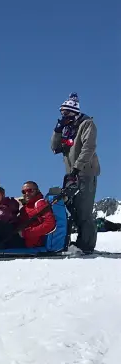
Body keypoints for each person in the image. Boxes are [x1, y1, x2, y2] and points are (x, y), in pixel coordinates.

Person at [51, 92, 100, 253]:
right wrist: (57, 130)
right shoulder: (66, 129)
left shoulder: (87, 124)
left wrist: (78, 167)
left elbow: (89, 147)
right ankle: (78, 240)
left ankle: (87, 244)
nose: (64, 115)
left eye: (67, 112)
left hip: (84, 172)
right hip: (70, 173)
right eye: (62, 113)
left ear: (74, 112)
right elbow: (54, 147)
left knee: (84, 208)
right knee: (72, 207)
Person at [18, 181, 57, 248]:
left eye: (30, 190)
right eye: (24, 192)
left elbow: (50, 223)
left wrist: (26, 233)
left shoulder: (40, 203)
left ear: (37, 191)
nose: (27, 193)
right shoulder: (25, 208)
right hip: (25, 241)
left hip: (34, 244)